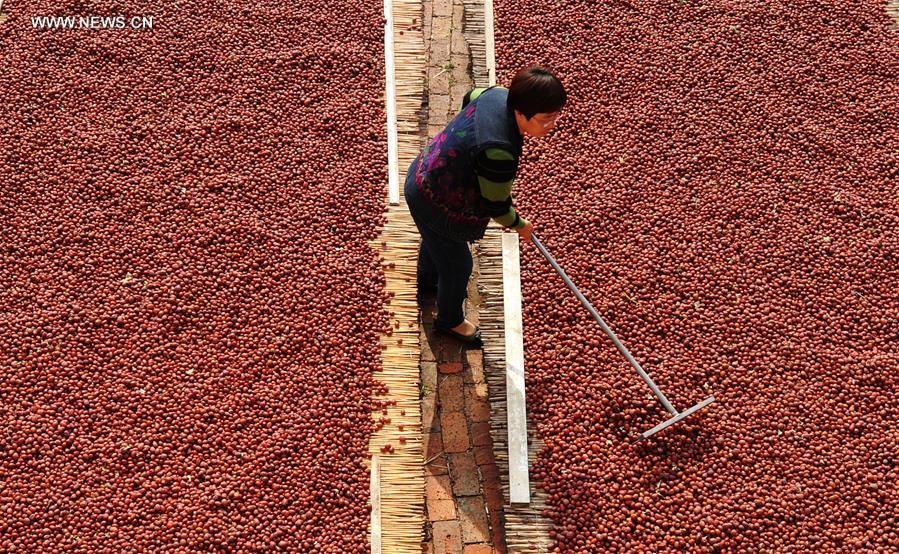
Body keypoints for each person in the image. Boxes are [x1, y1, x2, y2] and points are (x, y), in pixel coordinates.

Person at [404, 66, 567, 347]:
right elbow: (497, 205)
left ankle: (428, 283)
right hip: (438, 201)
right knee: (457, 266)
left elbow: (470, 97)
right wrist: (520, 225)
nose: (551, 126)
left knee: (435, 241)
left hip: (424, 171)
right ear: (521, 112)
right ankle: (449, 321)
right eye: (545, 120)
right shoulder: (499, 152)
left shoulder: (496, 94)